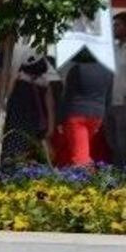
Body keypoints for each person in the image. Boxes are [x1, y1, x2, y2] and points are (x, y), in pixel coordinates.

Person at [53, 48, 113, 167]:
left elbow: (67, 95)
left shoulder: (76, 69)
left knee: (80, 157)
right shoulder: (108, 71)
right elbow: (108, 98)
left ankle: (84, 182)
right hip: (97, 115)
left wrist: (59, 119)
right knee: (80, 150)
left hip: (76, 114)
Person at [3, 53, 55, 165]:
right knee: (41, 155)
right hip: (35, 121)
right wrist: (50, 125)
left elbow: (7, 96)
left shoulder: (19, 77)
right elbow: (50, 106)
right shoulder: (44, 81)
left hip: (18, 120)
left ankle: (14, 172)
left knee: (15, 153)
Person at [108, 11, 126, 166]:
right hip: (111, 101)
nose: (114, 28)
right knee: (113, 142)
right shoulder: (112, 49)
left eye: (117, 25)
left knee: (122, 142)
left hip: (124, 102)